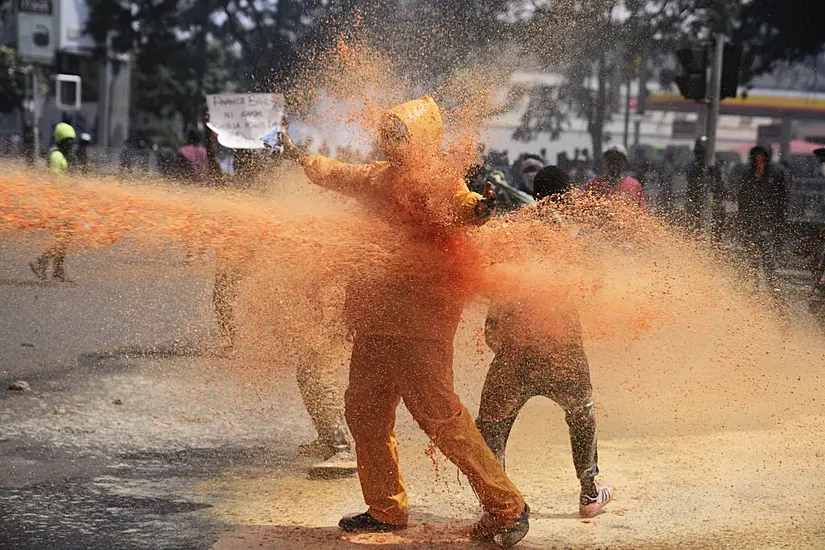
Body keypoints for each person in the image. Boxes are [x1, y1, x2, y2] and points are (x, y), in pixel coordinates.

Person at [280, 96, 530, 546]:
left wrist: (479, 209)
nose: (390, 142)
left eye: (400, 135)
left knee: (441, 420)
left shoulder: (437, 179)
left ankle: (507, 507)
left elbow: (460, 205)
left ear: (421, 138)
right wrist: (301, 155)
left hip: (421, 325)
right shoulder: (378, 177)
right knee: (365, 412)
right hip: (375, 319)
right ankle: (385, 509)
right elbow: (337, 174)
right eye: (387, 134)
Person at [476, 165, 614, 519]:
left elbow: (502, 282)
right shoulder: (572, 234)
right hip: (562, 347)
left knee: (492, 422)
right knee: (581, 415)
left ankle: (500, 501)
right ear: (568, 196)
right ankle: (589, 493)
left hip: (516, 346)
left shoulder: (518, 229)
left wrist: (493, 326)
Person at [732, 145, 788, 292]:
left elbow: (783, 198)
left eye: (762, 156)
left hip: (769, 222)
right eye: (756, 156)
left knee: (769, 258)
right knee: (751, 256)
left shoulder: (777, 172)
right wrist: (741, 219)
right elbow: (741, 197)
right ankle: (752, 286)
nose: (759, 160)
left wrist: (780, 221)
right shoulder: (747, 173)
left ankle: (772, 287)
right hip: (750, 221)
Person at [30, 123, 76, 282]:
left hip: (64, 202)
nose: (71, 144)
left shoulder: (61, 155)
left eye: (72, 140)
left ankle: (57, 270)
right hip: (58, 203)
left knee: (64, 238)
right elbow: (55, 181)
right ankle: (41, 262)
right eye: (68, 141)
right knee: (63, 238)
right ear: (61, 140)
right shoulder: (56, 156)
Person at [584, 144, 647, 209]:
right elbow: (580, 209)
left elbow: (642, 211)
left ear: (624, 162)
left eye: (618, 160)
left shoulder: (634, 185)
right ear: (605, 161)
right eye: (610, 159)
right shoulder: (593, 185)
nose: (614, 163)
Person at [685, 136, 724, 236]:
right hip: (695, 203)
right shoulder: (692, 166)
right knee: (694, 231)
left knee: (713, 233)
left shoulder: (715, 166)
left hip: (711, 205)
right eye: (699, 150)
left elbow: (720, 185)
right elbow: (690, 183)